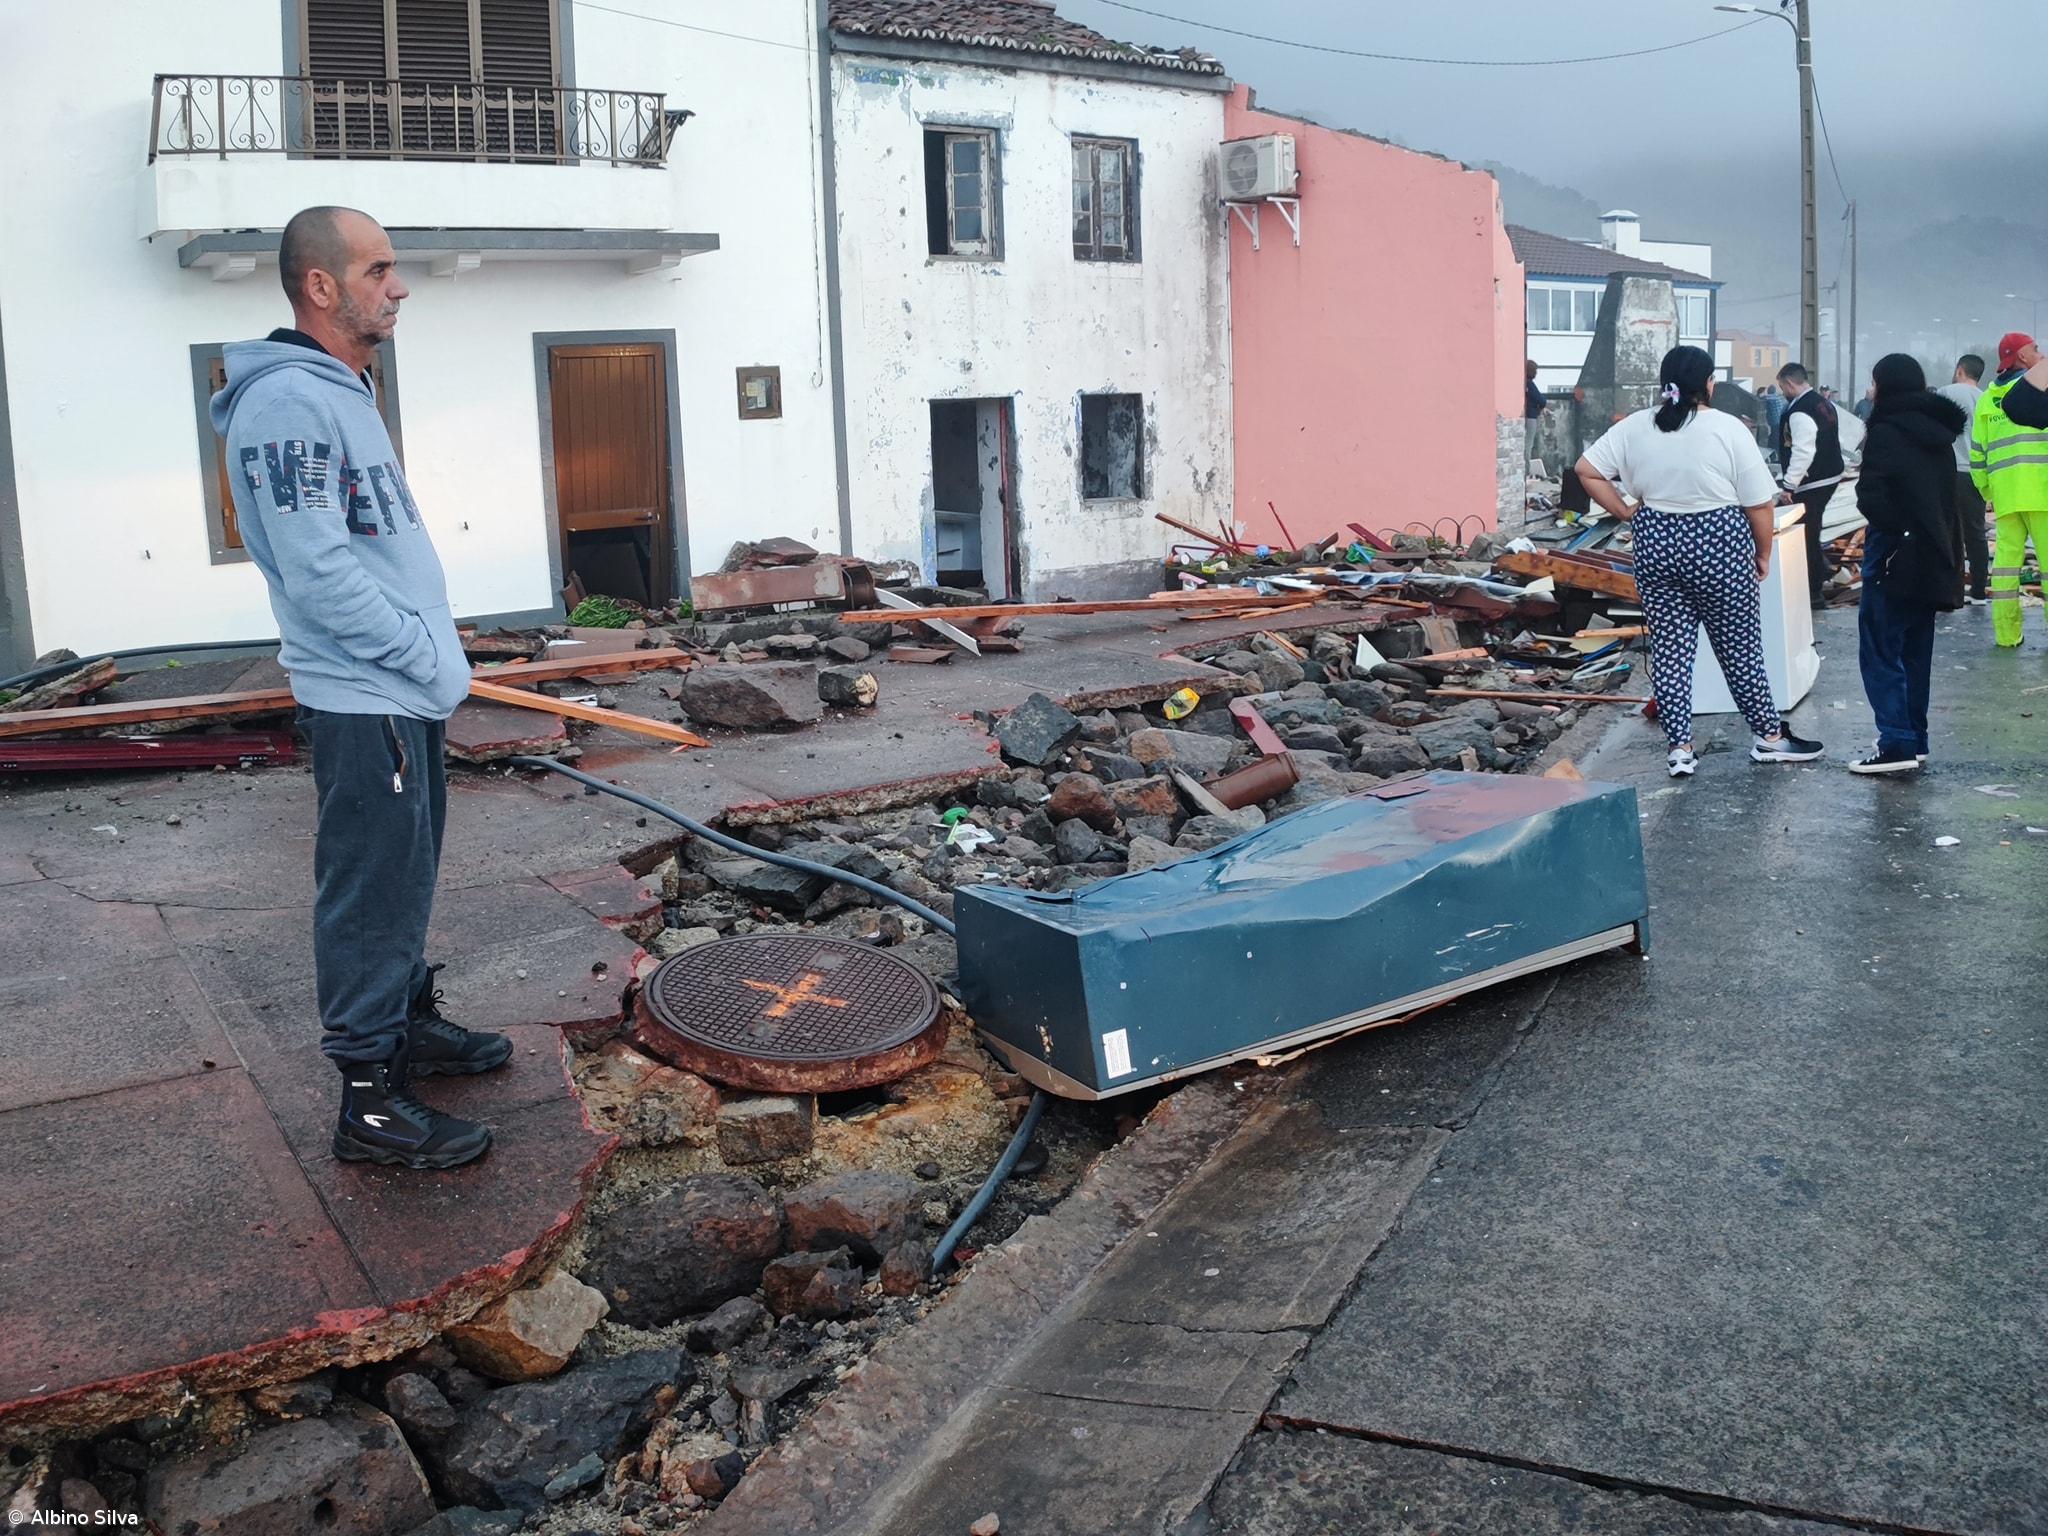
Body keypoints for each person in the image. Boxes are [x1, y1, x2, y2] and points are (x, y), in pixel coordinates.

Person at [212, 206, 505, 1171]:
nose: (400, 284)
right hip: (364, 695)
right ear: (321, 287)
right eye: (380, 268)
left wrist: (429, 659)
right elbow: (320, 572)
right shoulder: (288, 404)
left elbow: (373, 553)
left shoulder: (341, 389)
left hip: (395, 694)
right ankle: (369, 1103)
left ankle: (405, 1024)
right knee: (369, 893)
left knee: (403, 875)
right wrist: (424, 661)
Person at [1575, 345, 1825, 777]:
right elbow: (1759, 506)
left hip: (1656, 543)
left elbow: (1586, 469)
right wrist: (1762, 553)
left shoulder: (1635, 427)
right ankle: (1768, 737)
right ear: (1708, 384)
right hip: (1719, 545)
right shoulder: (1727, 429)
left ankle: (1680, 750)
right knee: (1739, 647)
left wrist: (1626, 511)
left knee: (1671, 651)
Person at [1849, 355, 1968, 774]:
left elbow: (1871, 495)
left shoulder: (1885, 431)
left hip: (1895, 555)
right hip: (1933, 553)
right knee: (1917, 650)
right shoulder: (1940, 434)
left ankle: (1896, 743)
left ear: (1884, 386)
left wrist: (1897, 531)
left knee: (1881, 648)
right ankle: (1914, 739)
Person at [1970, 332, 2048, 647]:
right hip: (2042, 490)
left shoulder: (1989, 398)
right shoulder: (2039, 390)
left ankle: (2006, 635)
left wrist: (1988, 491)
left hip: (2005, 494)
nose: (2040, 352)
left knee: (2004, 568)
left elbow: (1978, 452)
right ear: (2022, 357)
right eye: (2035, 348)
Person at [1773, 361, 1845, 606]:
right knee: (1812, 528)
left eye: (1782, 386)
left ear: (1790, 383)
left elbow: (1803, 450)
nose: (1782, 391)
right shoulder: (1822, 402)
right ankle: (1821, 570)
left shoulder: (1800, 411)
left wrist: (1789, 485)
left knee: (1806, 533)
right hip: (1830, 473)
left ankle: (1813, 589)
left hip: (1813, 480)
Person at [1935, 354, 1990, 604]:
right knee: (1975, 532)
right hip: (1976, 474)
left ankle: (1949, 589)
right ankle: (1978, 589)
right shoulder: (1986, 398)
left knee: (1946, 531)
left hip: (1947, 471)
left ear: (1959, 370)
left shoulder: (1944, 393)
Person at [1524, 359, 1550, 473]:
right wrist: (1541, 406)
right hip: (1531, 417)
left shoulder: (1525, 384)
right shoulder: (1529, 384)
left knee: (1527, 445)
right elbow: (1541, 400)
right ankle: (1526, 472)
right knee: (1528, 446)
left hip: (1527, 415)